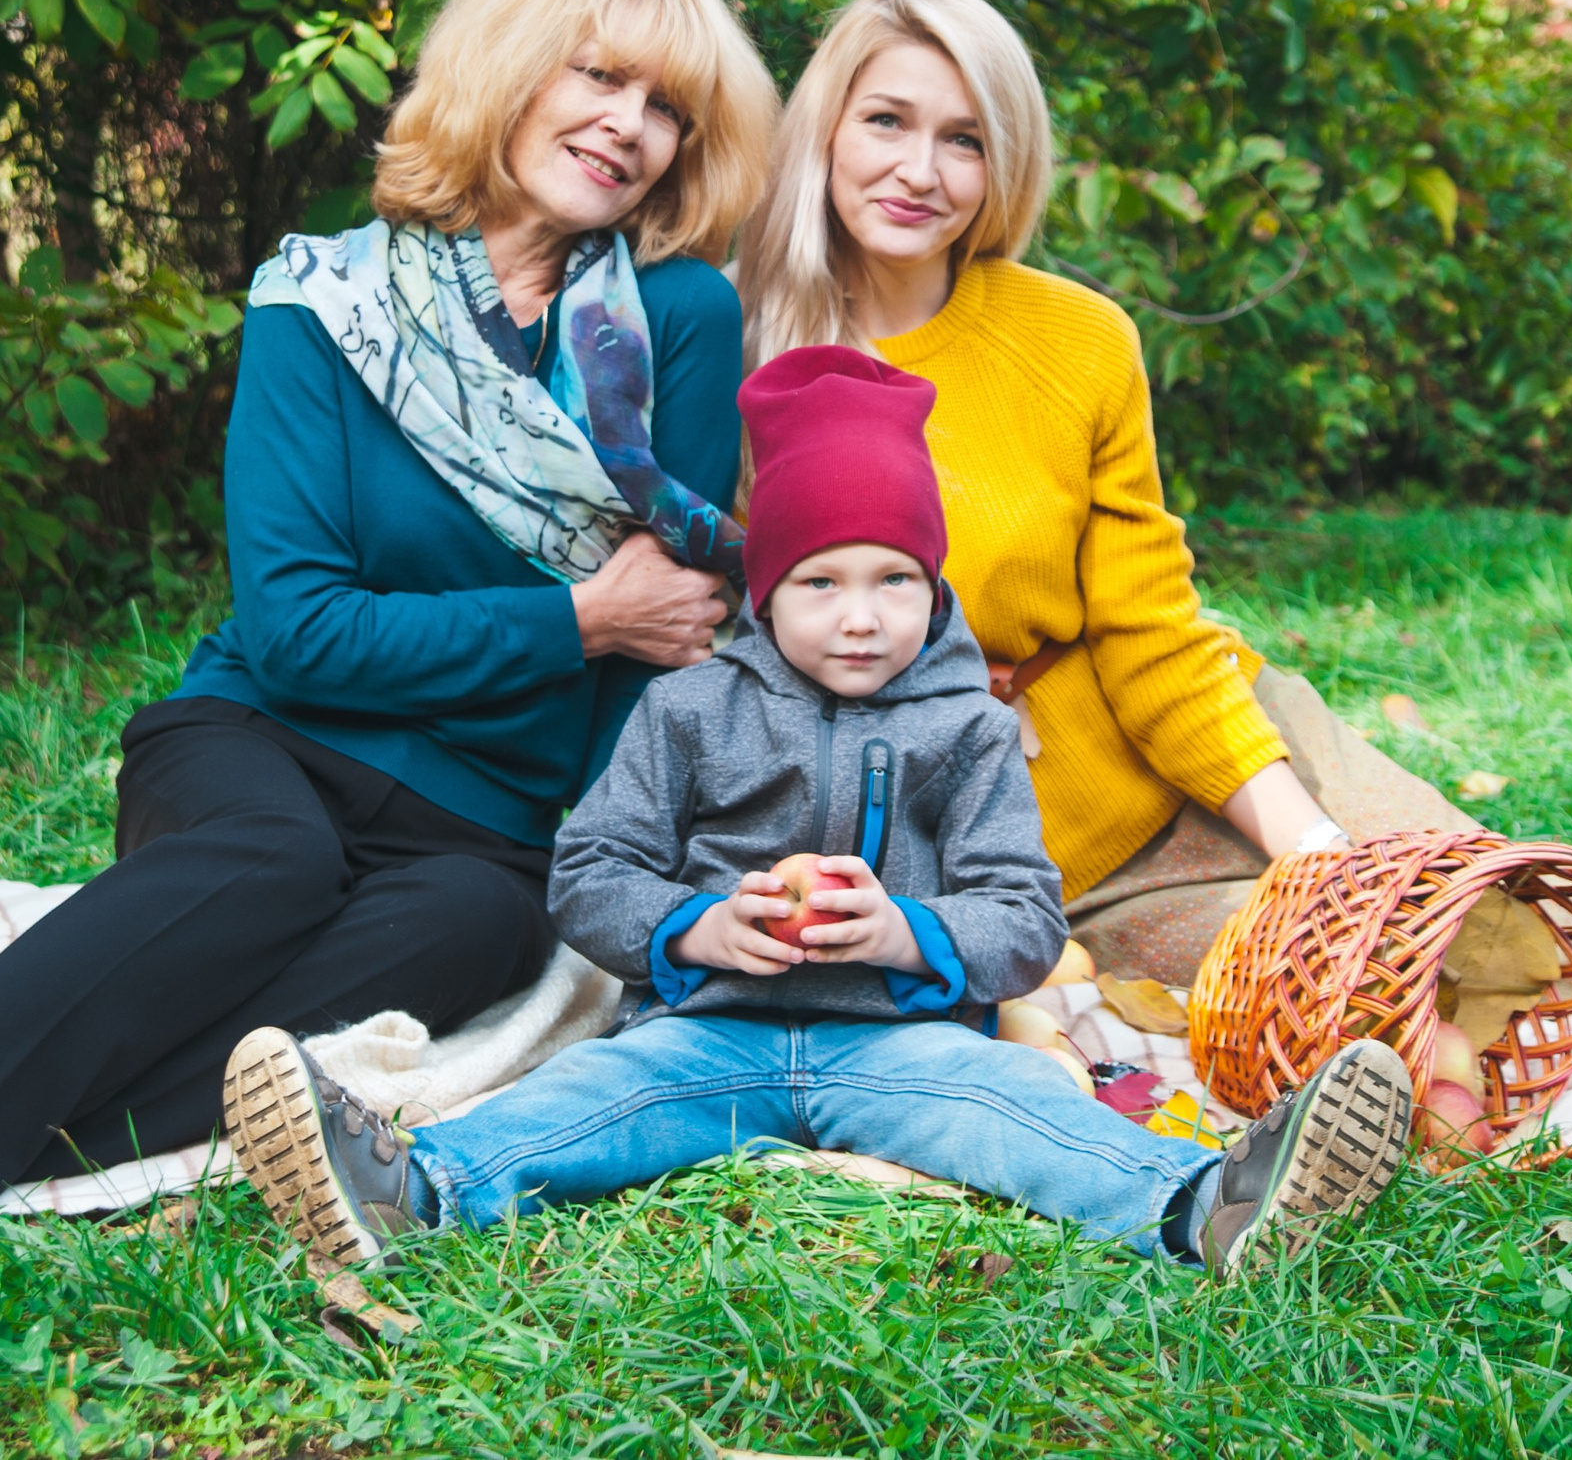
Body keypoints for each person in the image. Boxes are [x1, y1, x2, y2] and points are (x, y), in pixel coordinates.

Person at [0, 0, 781, 1275]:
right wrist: (578, 618)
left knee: (484, 932)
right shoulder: (323, 301)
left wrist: (603, 863)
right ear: (513, 70)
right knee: (272, 860)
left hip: (483, 827)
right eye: (600, 76)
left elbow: (662, 656)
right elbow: (304, 631)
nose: (629, 129)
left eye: (668, 110)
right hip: (263, 737)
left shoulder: (681, 321)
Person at [223, 346, 1417, 1279]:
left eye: (896, 578)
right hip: (709, 1037)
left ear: (934, 584)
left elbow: (1020, 916)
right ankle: (404, 1188)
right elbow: (589, 868)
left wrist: (903, 932)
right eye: (820, 582)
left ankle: (1213, 1201)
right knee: (583, 1105)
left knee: (1018, 1114)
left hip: (900, 1046)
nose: (862, 616)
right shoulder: (688, 710)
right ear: (765, 590)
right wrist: (694, 927)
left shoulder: (969, 730)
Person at [735, 0, 1572, 990]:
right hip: (1028, 859)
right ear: (825, 126)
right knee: (1387, 997)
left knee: (1491, 938)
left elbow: (1149, 628)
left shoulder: (1073, 339)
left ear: (1002, 162)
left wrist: (1315, 853)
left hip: (1211, 740)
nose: (920, 171)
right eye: (886, 121)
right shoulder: (729, 343)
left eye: (963, 139)